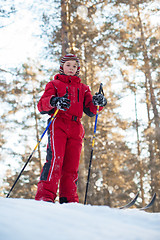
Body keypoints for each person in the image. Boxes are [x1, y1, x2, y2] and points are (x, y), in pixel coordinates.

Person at [35, 53, 107, 203]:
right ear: (62, 67)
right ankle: (45, 196)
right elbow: (42, 105)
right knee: (56, 159)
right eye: (68, 65)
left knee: (72, 165)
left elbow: (91, 110)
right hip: (58, 123)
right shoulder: (54, 85)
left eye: (74, 66)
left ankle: (69, 199)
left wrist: (98, 102)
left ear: (78, 69)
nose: (71, 68)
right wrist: (55, 101)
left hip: (76, 127)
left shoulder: (83, 88)